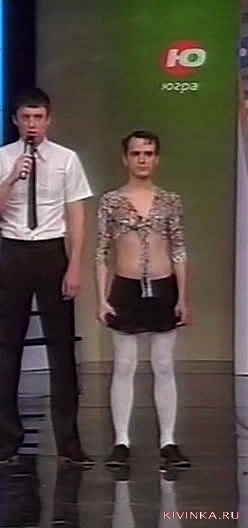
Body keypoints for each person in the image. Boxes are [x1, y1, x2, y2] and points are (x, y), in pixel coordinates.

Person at [0, 87, 94, 468]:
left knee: (61, 351)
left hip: (52, 253)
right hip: (14, 253)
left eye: (38, 117)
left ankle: (68, 441)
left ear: (49, 120)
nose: (32, 124)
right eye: (26, 117)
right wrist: (12, 178)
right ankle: (8, 440)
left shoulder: (66, 159)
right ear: (16, 120)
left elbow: (76, 215)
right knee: (8, 348)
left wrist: (74, 265)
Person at [95, 130, 191, 471]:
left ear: (157, 158)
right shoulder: (111, 201)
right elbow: (102, 251)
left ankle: (168, 441)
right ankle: (121, 441)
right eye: (136, 153)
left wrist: (183, 296)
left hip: (163, 287)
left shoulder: (170, 201)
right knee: (124, 364)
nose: (142, 159)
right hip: (126, 287)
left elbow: (179, 249)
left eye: (148, 153)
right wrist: (101, 298)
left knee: (163, 364)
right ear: (125, 158)